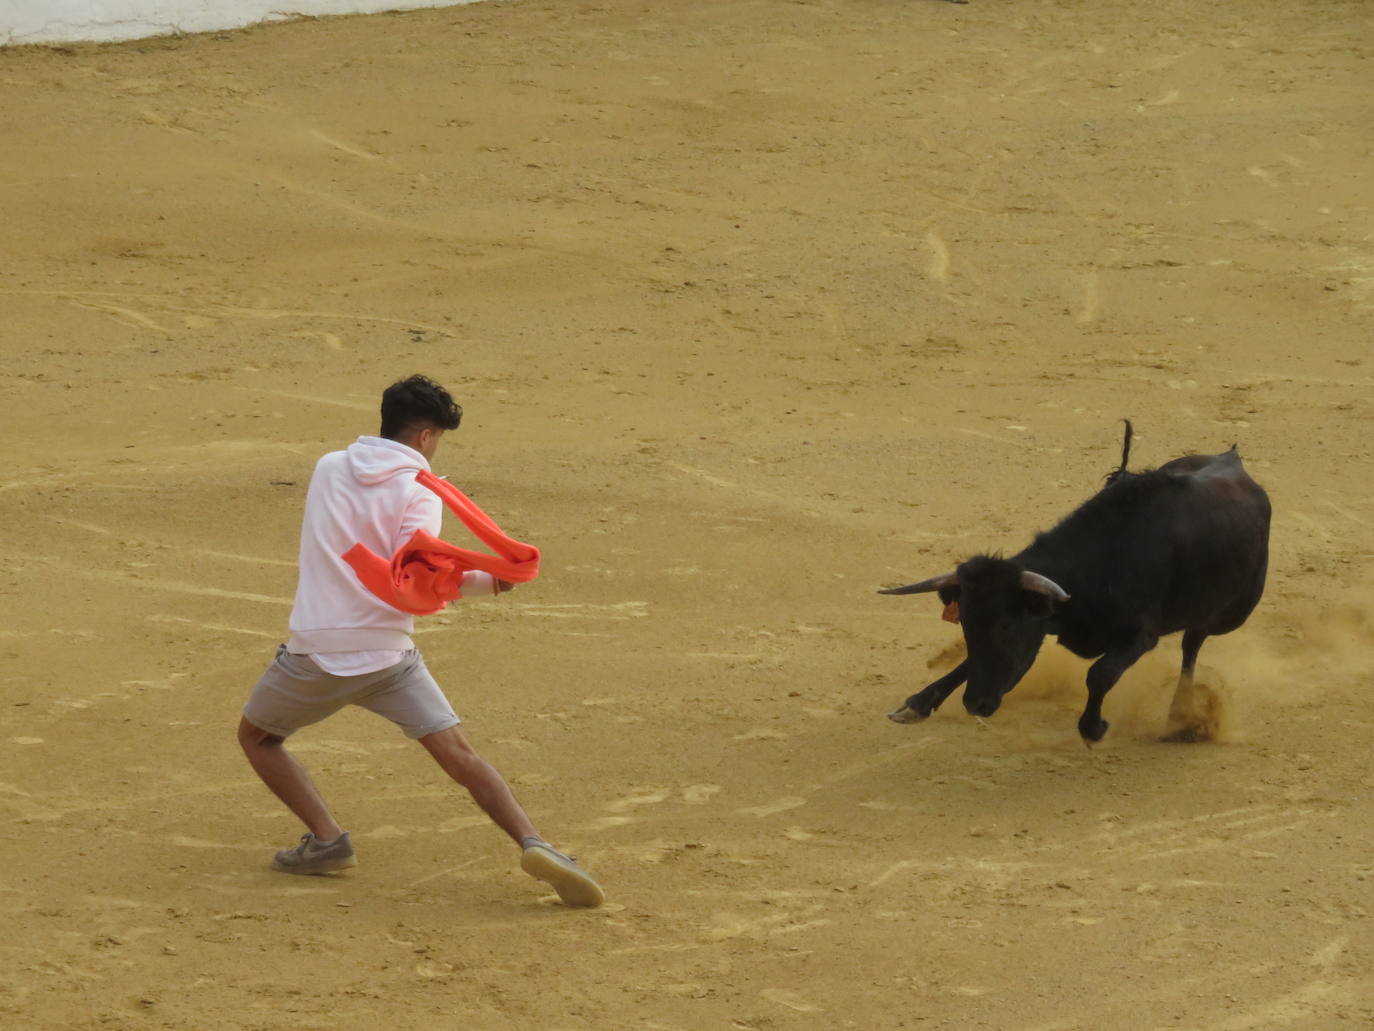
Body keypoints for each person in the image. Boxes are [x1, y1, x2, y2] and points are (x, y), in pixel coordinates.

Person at [237, 374, 603, 907]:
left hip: (317, 652)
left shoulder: (328, 466)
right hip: (389, 656)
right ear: (427, 436)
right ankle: (536, 842)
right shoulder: (420, 493)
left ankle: (326, 841)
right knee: (461, 756)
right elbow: (418, 583)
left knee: (259, 737)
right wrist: (491, 583)